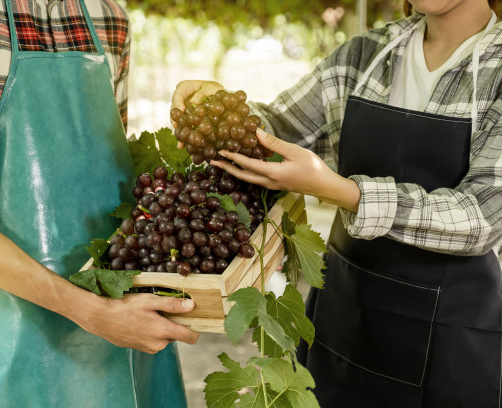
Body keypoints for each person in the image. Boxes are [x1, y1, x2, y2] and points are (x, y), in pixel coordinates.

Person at [172, 0, 502, 406]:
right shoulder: (365, 54)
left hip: (450, 343)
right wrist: (219, 109)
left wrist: (342, 191)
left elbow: (480, 217)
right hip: (344, 320)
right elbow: (278, 130)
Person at [0, 0, 198, 406]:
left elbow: (114, 190)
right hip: (24, 339)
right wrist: (92, 313)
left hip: (132, 329)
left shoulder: (109, 16)